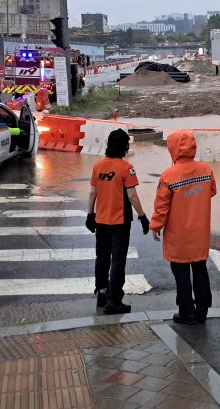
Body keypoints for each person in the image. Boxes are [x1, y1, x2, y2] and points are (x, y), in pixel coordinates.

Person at [150, 130, 216, 325]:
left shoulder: (168, 175)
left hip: (178, 235)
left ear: (173, 148)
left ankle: (186, 312)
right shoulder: (206, 170)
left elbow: (161, 206)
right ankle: (202, 311)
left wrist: (155, 226)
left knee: (181, 273)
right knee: (200, 270)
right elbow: (212, 191)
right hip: (200, 233)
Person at [86, 129, 150, 315]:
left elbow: (92, 193)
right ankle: (114, 301)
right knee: (118, 260)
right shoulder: (126, 168)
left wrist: (90, 215)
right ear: (125, 146)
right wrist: (143, 217)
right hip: (120, 222)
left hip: (101, 220)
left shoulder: (98, 166)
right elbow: (132, 196)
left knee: (102, 257)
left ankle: (102, 293)